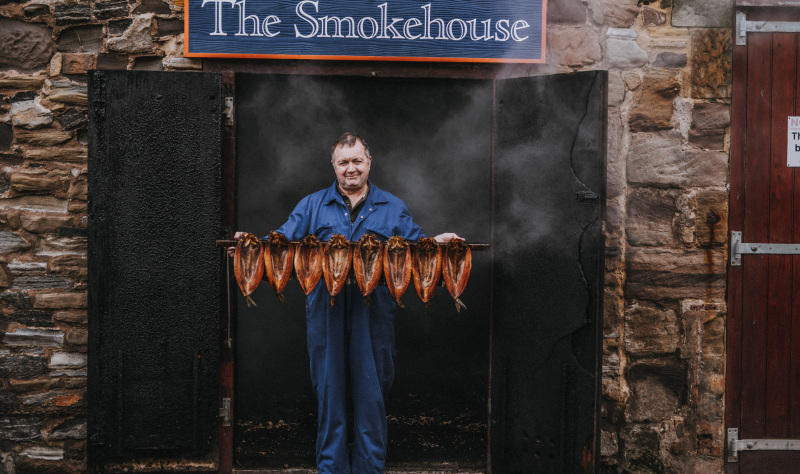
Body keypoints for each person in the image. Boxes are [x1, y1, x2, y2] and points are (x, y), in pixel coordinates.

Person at [232, 132, 459, 473]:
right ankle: (332, 468)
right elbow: (280, 241)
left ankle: (369, 468)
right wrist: (253, 247)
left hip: (375, 311)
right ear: (333, 167)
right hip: (327, 309)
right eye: (343, 163)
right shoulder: (312, 205)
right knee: (329, 390)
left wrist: (437, 243)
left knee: (372, 391)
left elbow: (417, 247)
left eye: (357, 161)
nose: (350, 169)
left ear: (369, 163)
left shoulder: (392, 206)